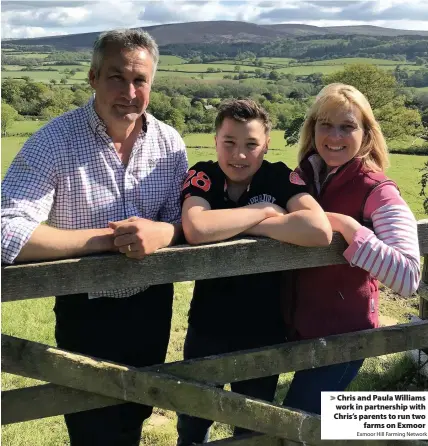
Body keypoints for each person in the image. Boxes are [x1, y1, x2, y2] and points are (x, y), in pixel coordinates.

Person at [1, 29, 188, 445]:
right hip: (84, 307)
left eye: (140, 80)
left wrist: (165, 231)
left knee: (136, 412)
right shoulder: (54, 141)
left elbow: (185, 220)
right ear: (93, 77)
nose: (129, 91)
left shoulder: (170, 143)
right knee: (90, 425)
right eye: (116, 77)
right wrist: (107, 241)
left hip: (153, 306)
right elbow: (5, 229)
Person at [177, 99, 332, 445]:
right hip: (207, 325)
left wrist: (244, 226)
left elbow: (318, 230)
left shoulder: (278, 175)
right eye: (229, 143)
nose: (239, 155)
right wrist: (264, 211)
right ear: (215, 140)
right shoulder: (202, 174)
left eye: (251, 145)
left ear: (266, 145)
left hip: (264, 328)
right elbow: (197, 228)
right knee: (192, 419)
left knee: (252, 423)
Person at [281, 83, 421, 415]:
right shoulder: (305, 177)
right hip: (303, 328)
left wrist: (349, 227)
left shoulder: (378, 189)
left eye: (348, 126)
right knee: (317, 421)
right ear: (312, 129)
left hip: (345, 335)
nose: (335, 135)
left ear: (366, 134)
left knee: (294, 420)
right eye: (325, 125)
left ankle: (409, 424)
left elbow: (408, 276)